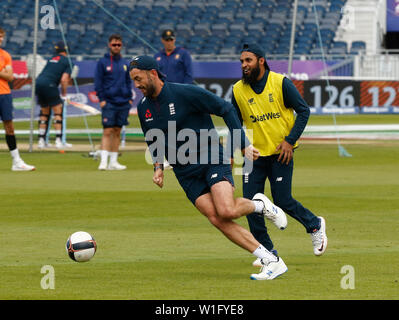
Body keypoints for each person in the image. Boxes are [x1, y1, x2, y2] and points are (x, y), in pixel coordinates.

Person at [129, 55, 289, 280]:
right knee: (217, 218)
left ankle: (259, 205)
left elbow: (225, 108)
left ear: (152, 73)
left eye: (138, 79)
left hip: (211, 157)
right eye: (133, 81)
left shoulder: (184, 92)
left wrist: (242, 144)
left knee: (227, 210)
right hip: (185, 173)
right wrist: (158, 167)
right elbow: (153, 138)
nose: (136, 85)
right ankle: (271, 260)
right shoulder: (144, 107)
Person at [231, 43, 328, 267]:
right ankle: (267, 252)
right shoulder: (238, 90)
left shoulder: (280, 82)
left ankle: (314, 225)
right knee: (250, 205)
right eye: (242, 62)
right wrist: (242, 146)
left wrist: (289, 141)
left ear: (261, 61)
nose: (244, 65)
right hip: (252, 156)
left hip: (280, 153)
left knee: (282, 199)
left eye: (248, 60)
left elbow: (304, 111)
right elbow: (233, 122)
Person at [95, 34, 132, 170]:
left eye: (118, 45)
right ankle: (103, 162)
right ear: (109, 45)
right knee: (107, 130)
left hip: (123, 101)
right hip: (109, 101)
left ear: (121, 46)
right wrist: (102, 99)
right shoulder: (102, 62)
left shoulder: (125, 63)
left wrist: (129, 97)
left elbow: (129, 81)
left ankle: (113, 161)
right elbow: (98, 82)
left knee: (117, 131)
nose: (116, 47)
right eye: (114, 44)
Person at [0, 27, 35, 171]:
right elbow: (5, 73)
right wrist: (3, 71)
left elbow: (10, 77)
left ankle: (17, 161)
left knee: (10, 128)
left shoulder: (5, 55)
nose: (0, 39)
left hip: (4, 94)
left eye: (1, 36)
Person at [36, 41, 72, 150]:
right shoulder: (67, 61)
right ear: (66, 50)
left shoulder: (51, 59)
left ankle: (41, 141)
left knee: (44, 113)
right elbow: (64, 79)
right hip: (50, 85)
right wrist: (64, 94)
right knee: (58, 113)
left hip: (38, 83)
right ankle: (58, 141)